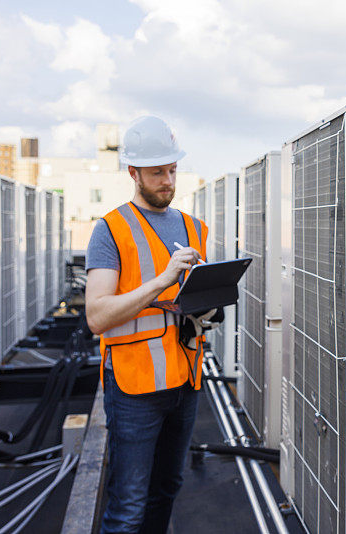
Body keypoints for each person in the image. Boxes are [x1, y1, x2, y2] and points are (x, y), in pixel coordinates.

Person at [85, 116, 208, 533]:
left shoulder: (194, 227)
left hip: (185, 381)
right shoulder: (110, 231)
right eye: (157, 172)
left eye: (172, 170)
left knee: (167, 488)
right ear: (133, 173)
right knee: (128, 505)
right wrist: (161, 283)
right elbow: (97, 315)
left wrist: (210, 304)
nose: (168, 180)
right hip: (135, 388)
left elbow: (197, 303)